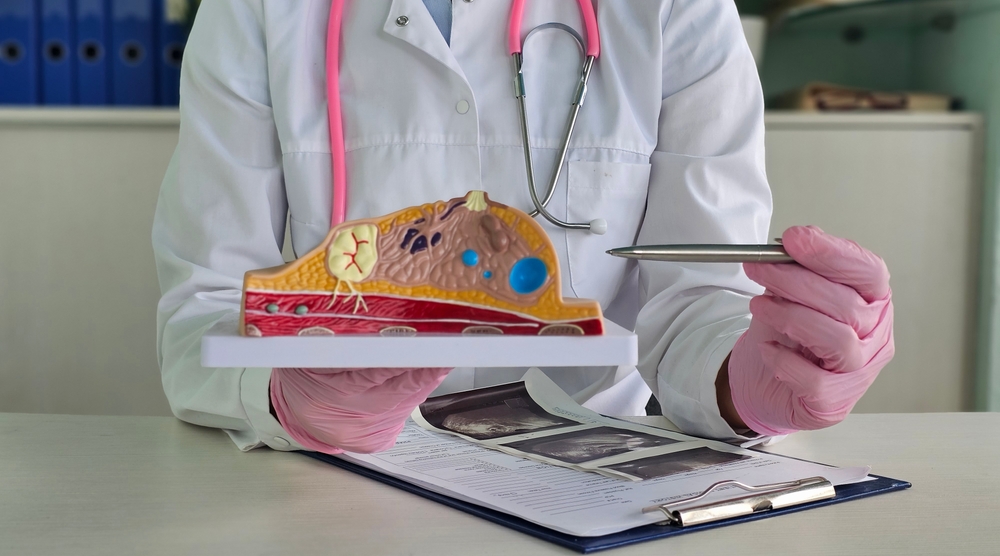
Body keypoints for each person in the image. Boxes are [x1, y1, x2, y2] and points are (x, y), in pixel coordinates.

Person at [153, 0, 894, 455]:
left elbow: (701, 298)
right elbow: (206, 304)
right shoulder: (255, 7)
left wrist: (748, 380)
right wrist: (287, 393)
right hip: (340, 493)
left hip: (596, 489)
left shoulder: (677, 7)